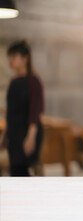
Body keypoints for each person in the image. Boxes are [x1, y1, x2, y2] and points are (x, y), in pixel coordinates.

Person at [0, 40, 44, 176]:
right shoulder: (13, 82)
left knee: (22, 171)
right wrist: (4, 135)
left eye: (14, 56)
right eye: (10, 56)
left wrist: (30, 137)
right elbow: (10, 112)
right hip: (14, 133)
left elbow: (35, 111)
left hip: (27, 132)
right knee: (15, 170)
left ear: (25, 59)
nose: (11, 60)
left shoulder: (33, 81)